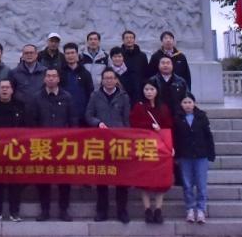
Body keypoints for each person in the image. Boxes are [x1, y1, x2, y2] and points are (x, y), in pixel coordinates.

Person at [84, 68, 131, 224]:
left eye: (112, 78)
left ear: (116, 80)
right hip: (101, 141)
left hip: (119, 141)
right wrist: (98, 123)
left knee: (122, 179)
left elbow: (127, 119)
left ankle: (122, 211)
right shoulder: (95, 95)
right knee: (102, 177)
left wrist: (126, 136)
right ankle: (102, 210)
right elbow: (88, 115)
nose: (109, 81)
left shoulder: (123, 96)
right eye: (106, 78)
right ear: (102, 80)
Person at [0, 78, 27, 221]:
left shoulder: (20, 107)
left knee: (15, 183)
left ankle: (14, 212)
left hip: (16, 151)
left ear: (12, 90)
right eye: (2, 87)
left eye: (7, 87)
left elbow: (28, 128)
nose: (5, 90)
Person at [129, 82, 173, 224]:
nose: (149, 92)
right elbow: (133, 124)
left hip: (160, 147)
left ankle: (158, 209)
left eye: (151, 89)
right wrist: (149, 126)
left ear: (157, 91)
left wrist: (162, 131)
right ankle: (147, 209)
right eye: (146, 89)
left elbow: (169, 126)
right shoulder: (139, 106)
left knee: (160, 180)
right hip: (144, 146)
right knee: (144, 179)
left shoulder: (163, 107)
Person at [33, 67, 73, 222]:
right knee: (43, 178)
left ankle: (63, 210)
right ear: (44, 79)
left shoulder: (67, 97)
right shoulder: (37, 97)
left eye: (54, 76)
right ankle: (45, 210)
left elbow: (73, 120)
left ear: (58, 79)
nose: (51, 78)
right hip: (43, 145)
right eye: (48, 76)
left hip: (63, 145)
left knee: (65, 178)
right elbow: (32, 121)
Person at [174, 93, 216, 224]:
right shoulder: (177, 117)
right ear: (181, 104)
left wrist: (211, 152)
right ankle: (190, 208)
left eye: (189, 102)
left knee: (201, 183)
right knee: (187, 184)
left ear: (194, 103)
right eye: (184, 102)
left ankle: (201, 209)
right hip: (185, 155)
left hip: (201, 154)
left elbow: (208, 136)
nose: (187, 105)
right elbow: (175, 138)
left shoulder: (201, 116)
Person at [60, 41, 94, 125]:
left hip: (82, 115)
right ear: (64, 55)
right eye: (67, 53)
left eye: (72, 53)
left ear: (77, 54)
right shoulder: (59, 73)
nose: (70, 56)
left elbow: (90, 94)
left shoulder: (85, 73)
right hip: (63, 115)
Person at [118, 30, 149, 99]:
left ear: (134, 40)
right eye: (126, 38)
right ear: (123, 40)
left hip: (139, 90)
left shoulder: (142, 56)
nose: (129, 40)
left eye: (131, 38)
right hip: (122, 90)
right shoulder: (118, 55)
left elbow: (146, 73)